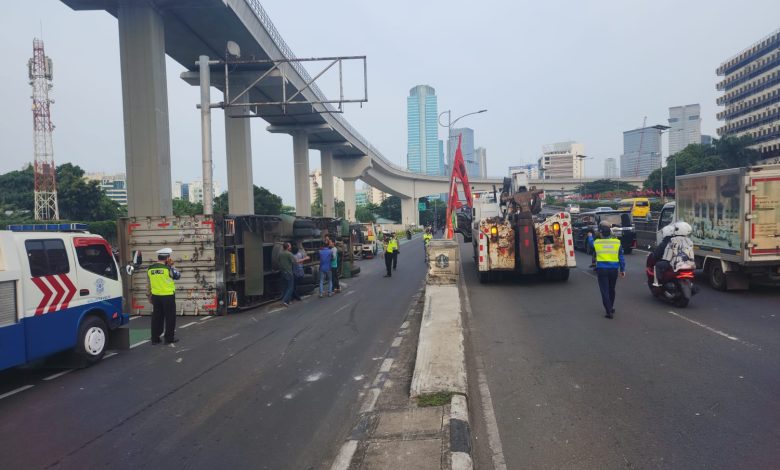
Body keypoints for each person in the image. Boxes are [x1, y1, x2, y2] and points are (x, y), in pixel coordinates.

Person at [590, 222, 626, 319]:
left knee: (604, 290)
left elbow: (590, 243)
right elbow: (621, 257)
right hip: (614, 269)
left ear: (601, 234)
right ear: (610, 233)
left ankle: (608, 311)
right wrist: (622, 269)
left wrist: (590, 236)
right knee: (611, 289)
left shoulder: (597, 242)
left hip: (602, 269)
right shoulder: (617, 242)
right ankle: (611, 306)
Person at [147, 247, 181, 344]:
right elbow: (178, 276)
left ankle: (155, 339)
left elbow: (148, 283)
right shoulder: (168, 269)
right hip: (168, 296)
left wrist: (149, 296)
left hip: (156, 296)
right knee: (170, 317)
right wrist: (172, 266)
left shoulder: (150, 268)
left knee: (156, 317)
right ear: (167, 258)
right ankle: (169, 338)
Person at [278, 242, 296, 307]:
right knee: (290, 287)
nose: (291, 247)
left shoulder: (280, 254)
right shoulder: (289, 254)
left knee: (285, 287)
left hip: (283, 272)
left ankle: (287, 301)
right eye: (290, 246)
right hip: (289, 272)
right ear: (288, 247)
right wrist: (305, 258)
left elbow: (279, 262)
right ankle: (284, 300)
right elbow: (295, 261)